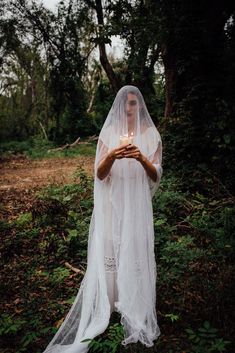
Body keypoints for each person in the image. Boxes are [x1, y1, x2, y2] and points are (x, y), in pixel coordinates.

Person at [42, 85, 163, 353]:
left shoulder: (152, 135)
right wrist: (111, 155)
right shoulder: (108, 134)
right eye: (125, 104)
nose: (129, 108)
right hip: (112, 204)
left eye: (134, 103)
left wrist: (141, 157)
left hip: (137, 207)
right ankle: (110, 304)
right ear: (119, 107)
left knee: (134, 250)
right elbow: (99, 174)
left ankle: (134, 306)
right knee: (111, 249)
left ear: (140, 106)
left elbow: (155, 175)